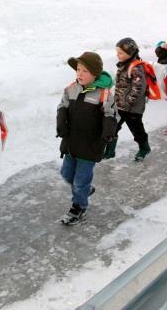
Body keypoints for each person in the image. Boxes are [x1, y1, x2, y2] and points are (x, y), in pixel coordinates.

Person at [56, 52, 118, 225]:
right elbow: (63, 105)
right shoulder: (71, 88)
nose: (80, 74)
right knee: (66, 174)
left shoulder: (104, 94)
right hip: (71, 142)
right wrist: (61, 118)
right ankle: (85, 190)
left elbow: (111, 113)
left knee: (79, 181)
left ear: (95, 74)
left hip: (90, 145)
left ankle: (79, 206)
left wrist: (109, 129)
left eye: (85, 71)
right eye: (78, 70)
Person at [106, 38, 151, 161]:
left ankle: (144, 148)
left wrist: (128, 102)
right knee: (112, 128)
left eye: (120, 53)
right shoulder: (123, 65)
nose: (117, 55)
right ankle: (110, 151)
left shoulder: (136, 67)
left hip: (133, 108)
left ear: (130, 53)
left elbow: (139, 88)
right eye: (117, 52)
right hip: (120, 106)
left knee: (137, 130)